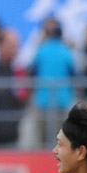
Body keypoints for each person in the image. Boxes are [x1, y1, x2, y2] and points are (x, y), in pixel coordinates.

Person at [29, 17, 77, 147]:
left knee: (43, 138)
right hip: (63, 98)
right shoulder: (66, 51)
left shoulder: (41, 50)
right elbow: (75, 72)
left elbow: (32, 70)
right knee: (63, 137)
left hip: (43, 98)